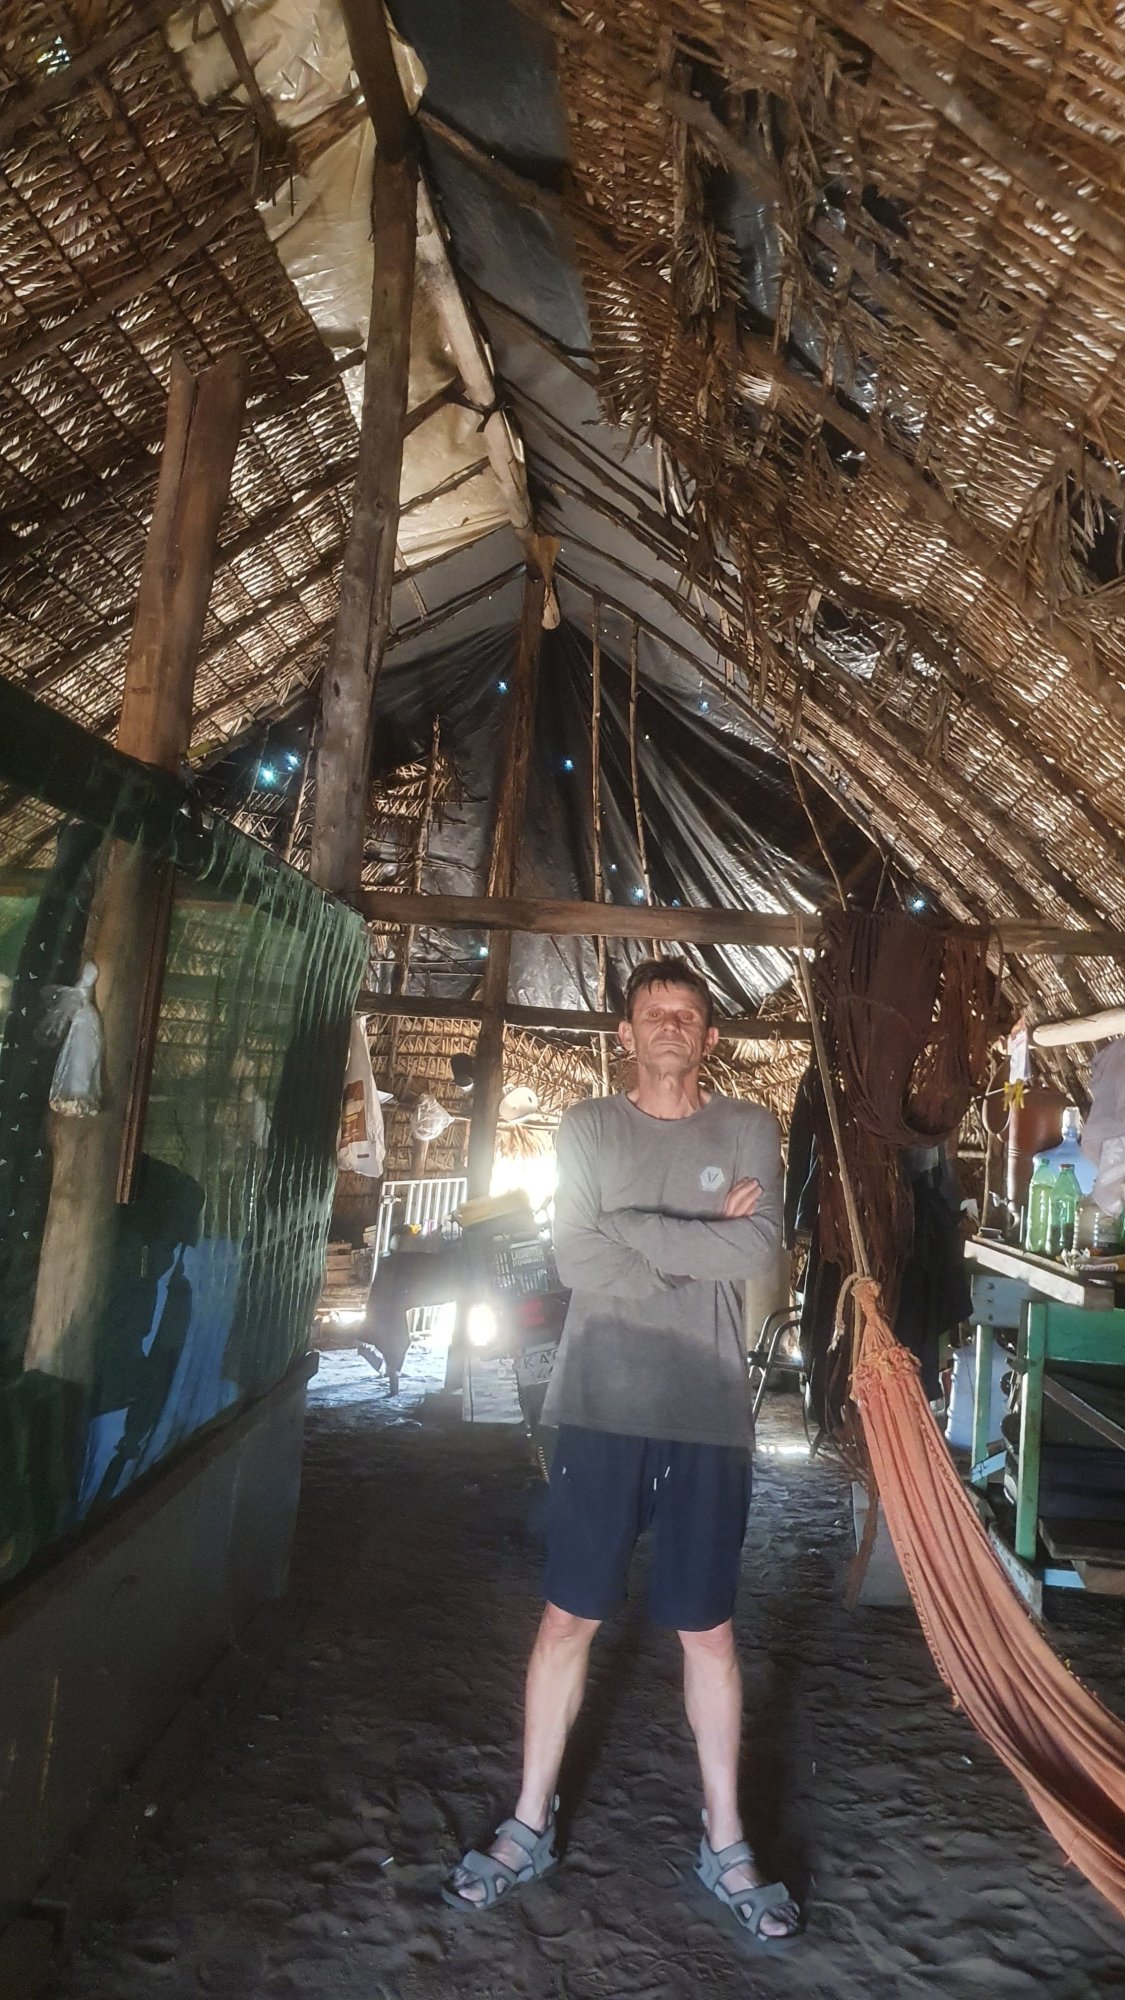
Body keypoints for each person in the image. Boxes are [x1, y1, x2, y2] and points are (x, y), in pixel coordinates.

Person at [444, 958, 800, 1941]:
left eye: (687, 1013)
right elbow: (574, 1254)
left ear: (710, 1037)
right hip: (600, 1403)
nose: (671, 1025)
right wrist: (695, 1235)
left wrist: (631, 1230)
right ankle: (528, 1822)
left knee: (708, 1630)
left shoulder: (748, 1126)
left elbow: (758, 1246)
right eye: (654, 1013)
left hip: (706, 1411)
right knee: (567, 1618)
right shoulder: (589, 1127)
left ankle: (725, 1839)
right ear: (626, 1034)